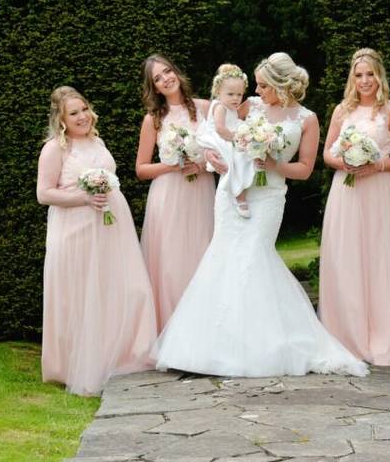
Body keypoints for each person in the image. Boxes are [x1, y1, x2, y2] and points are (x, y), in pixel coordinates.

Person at [152, 52, 368, 378]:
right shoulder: (250, 106)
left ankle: (261, 346)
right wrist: (214, 156)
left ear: (281, 85)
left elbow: (305, 169)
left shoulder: (306, 119)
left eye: (263, 85)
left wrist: (273, 164)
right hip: (232, 191)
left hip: (268, 196)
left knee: (254, 257)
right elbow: (217, 124)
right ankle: (216, 346)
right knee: (223, 257)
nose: (257, 90)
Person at [36, 86, 157, 396]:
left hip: (111, 226)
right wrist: (84, 198)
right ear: (61, 120)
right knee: (80, 294)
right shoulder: (55, 148)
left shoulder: (98, 142)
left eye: (84, 109)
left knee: (124, 288)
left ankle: (119, 354)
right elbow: (44, 194)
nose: (82, 116)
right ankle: (76, 365)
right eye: (73, 113)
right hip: (74, 229)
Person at [318, 48, 390, 366]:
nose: (364, 81)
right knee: (346, 260)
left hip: (379, 191)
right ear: (352, 78)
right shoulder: (341, 111)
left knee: (380, 261)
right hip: (346, 193)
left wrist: (376, 166)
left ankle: (383, 341)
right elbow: (327, 154)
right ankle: (347, 338)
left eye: (370, 74)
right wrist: (345, 162)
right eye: (358, 75)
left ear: (379, 76)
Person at [135, 55, 215, 330]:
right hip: (169, 195)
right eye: (157, 78)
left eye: (167, 71)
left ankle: (204, 328)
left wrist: (202, 164)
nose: (165, 79)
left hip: (201, 191)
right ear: (154, 88)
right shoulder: (154, 119)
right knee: (171, 263)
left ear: (177, 73)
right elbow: (141, 169)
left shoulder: (205, 107)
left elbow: (225, 152)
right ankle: (172, 330)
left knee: (203, 255)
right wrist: (171, 165)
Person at [196, 63, 254, 218]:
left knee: (244, 157)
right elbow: (220, 128)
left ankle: (243, 189)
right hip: (220, 138)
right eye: (230, 94)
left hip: (228, 136)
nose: (236, 98)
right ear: (218, 92)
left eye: (239, 94)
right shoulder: (220, 107)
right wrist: (236, 139)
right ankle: (239, 195)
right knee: (237, 159)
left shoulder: (232, 108)